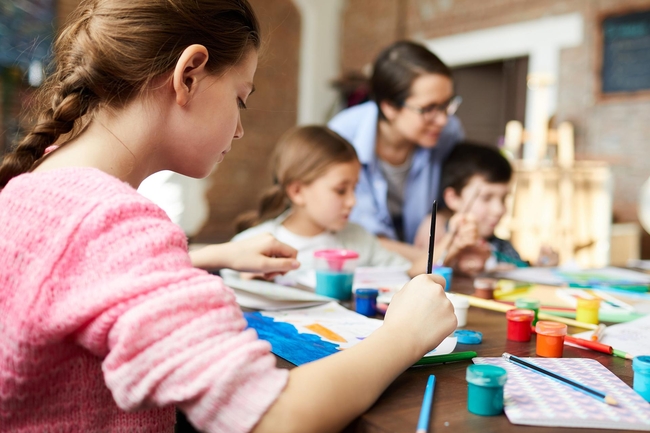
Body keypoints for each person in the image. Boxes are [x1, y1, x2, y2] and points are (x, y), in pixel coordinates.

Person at [0, 1, 457, 432]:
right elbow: (270, 418)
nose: (239, 127)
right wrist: (404, 335)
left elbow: (72, 282)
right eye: (241, 98)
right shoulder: (108, 221)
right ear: (190, 74)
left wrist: (213, 254)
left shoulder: (42, 186)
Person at [233, 125, 428, 287]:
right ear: (297, 192)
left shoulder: (359, 240)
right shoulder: (252, 246)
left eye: (355, 188)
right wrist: (248, 284)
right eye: (341, 190)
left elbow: (406, 273)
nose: (353, 201)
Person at [328, 40, 464, 262]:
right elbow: (363, 238)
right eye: (428, 109)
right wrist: (435, 258)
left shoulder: (449, 132)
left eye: (446, 105)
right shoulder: (343, 136)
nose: (442, 119)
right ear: (389, 106)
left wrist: (441, 215)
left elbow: (460, 187)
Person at [414, 142, 556, 271]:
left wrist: (540, 267)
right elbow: (419, 271)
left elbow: (521, 269)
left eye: (504, 198)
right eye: (486, 198)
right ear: (453, 198)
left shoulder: (501, 246)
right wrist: (455, 246)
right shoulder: (437, 234)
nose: (499, 209)